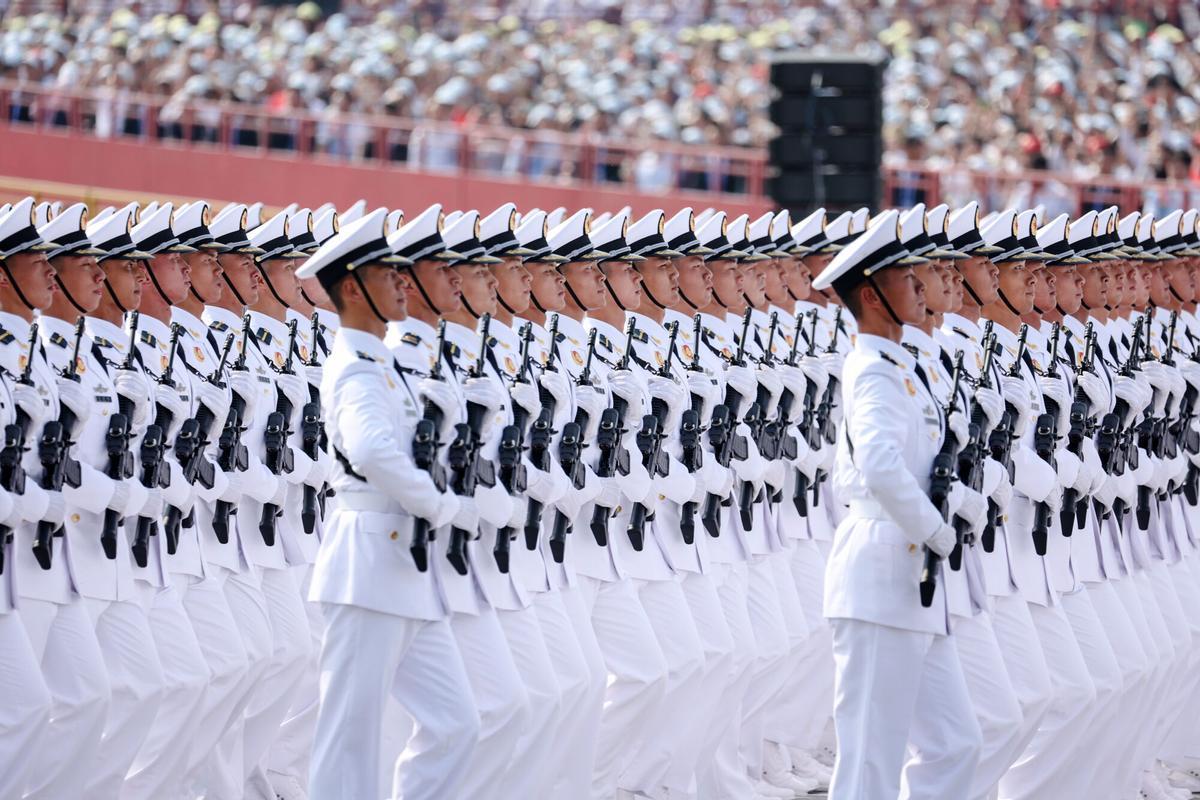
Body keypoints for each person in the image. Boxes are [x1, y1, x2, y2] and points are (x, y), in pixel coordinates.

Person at [301, 208, 480, 800]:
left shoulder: (383, 364)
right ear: (353, 287)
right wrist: (443, 507)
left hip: (403, 569)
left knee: (457, 723)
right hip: (366, 563)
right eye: (388, 276)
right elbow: (374, 451)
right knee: (349, 733)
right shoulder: (354, 368)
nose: (403, 284)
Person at [811, 208, 983, 799]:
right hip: (881, 570)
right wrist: (937, 528)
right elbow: (880, 466)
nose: (920, 287)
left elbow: (918, 463)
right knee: (868, 761)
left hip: (911, 582)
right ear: (871, 295)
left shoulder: (903, 368)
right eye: (906, 279)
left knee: (957, 743)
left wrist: (955, 500)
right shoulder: (871, 371)